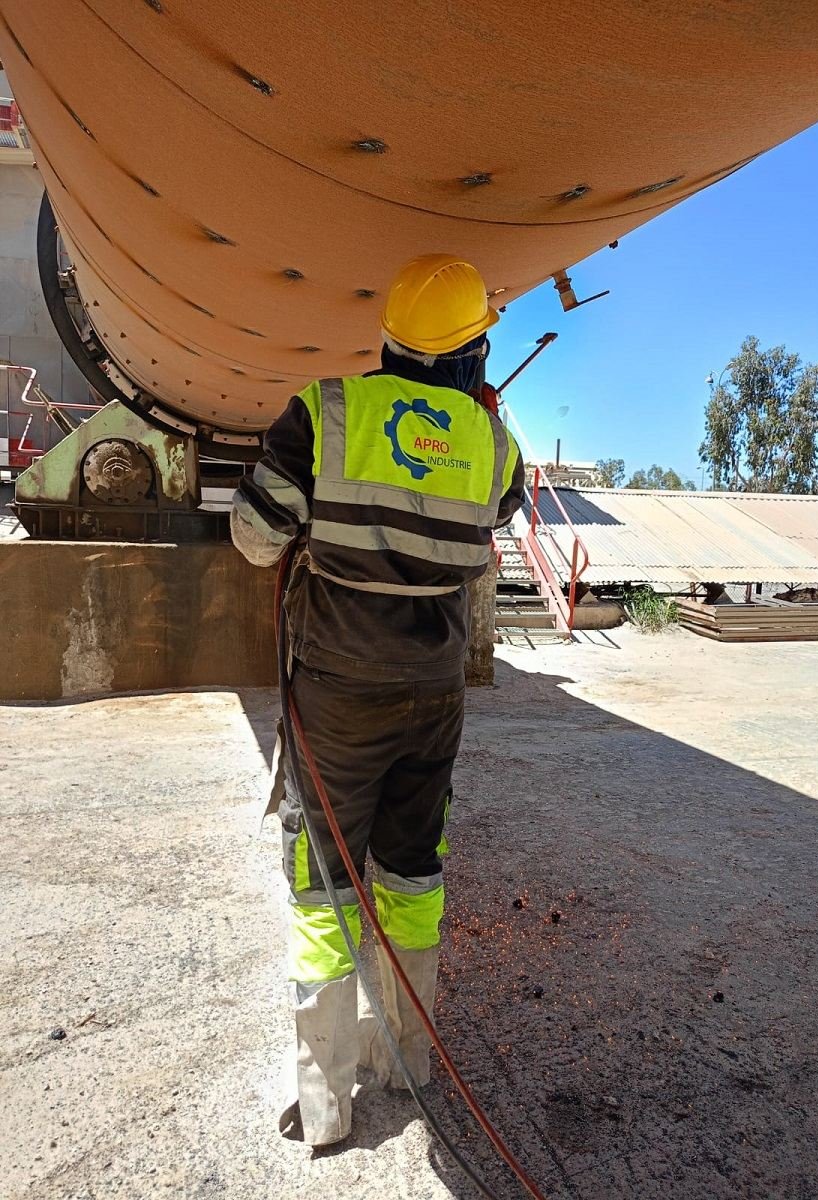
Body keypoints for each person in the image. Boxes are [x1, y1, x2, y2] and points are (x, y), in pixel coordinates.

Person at [230, 253, 525, 1146]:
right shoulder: (494, 443)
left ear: (391, 337)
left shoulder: (327, 411)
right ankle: (406, 1059)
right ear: (473, 350)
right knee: (412, 865)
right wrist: (460, 436)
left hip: (338, 692)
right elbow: (496, 517)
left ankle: (325, 1107)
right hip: (434, 696)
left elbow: (255, 539)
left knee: (324, 879)